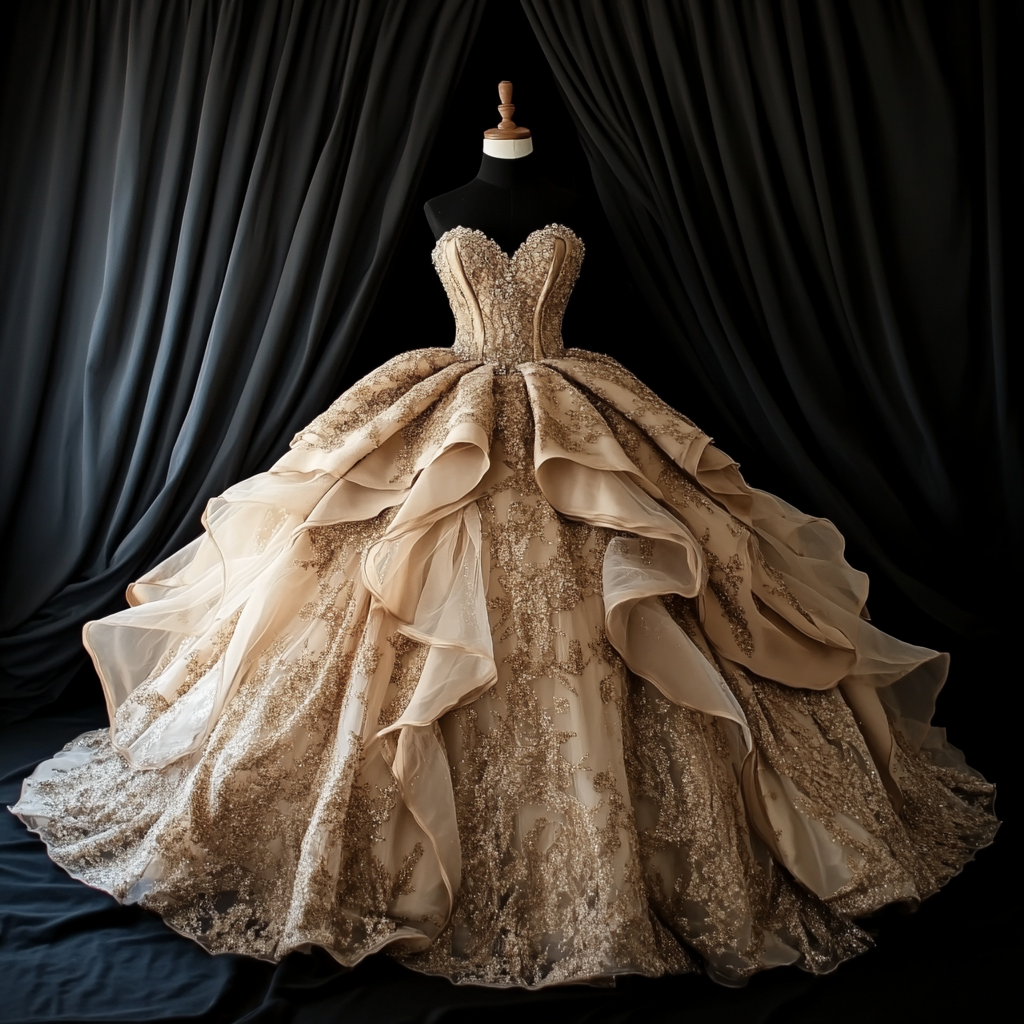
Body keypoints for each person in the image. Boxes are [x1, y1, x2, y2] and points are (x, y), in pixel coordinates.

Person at [10, 83, 997, 989]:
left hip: (575, 401)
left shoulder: (573, 192)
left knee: (652, 580)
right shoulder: (444, 201)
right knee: (380, 581)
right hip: (449, 403)